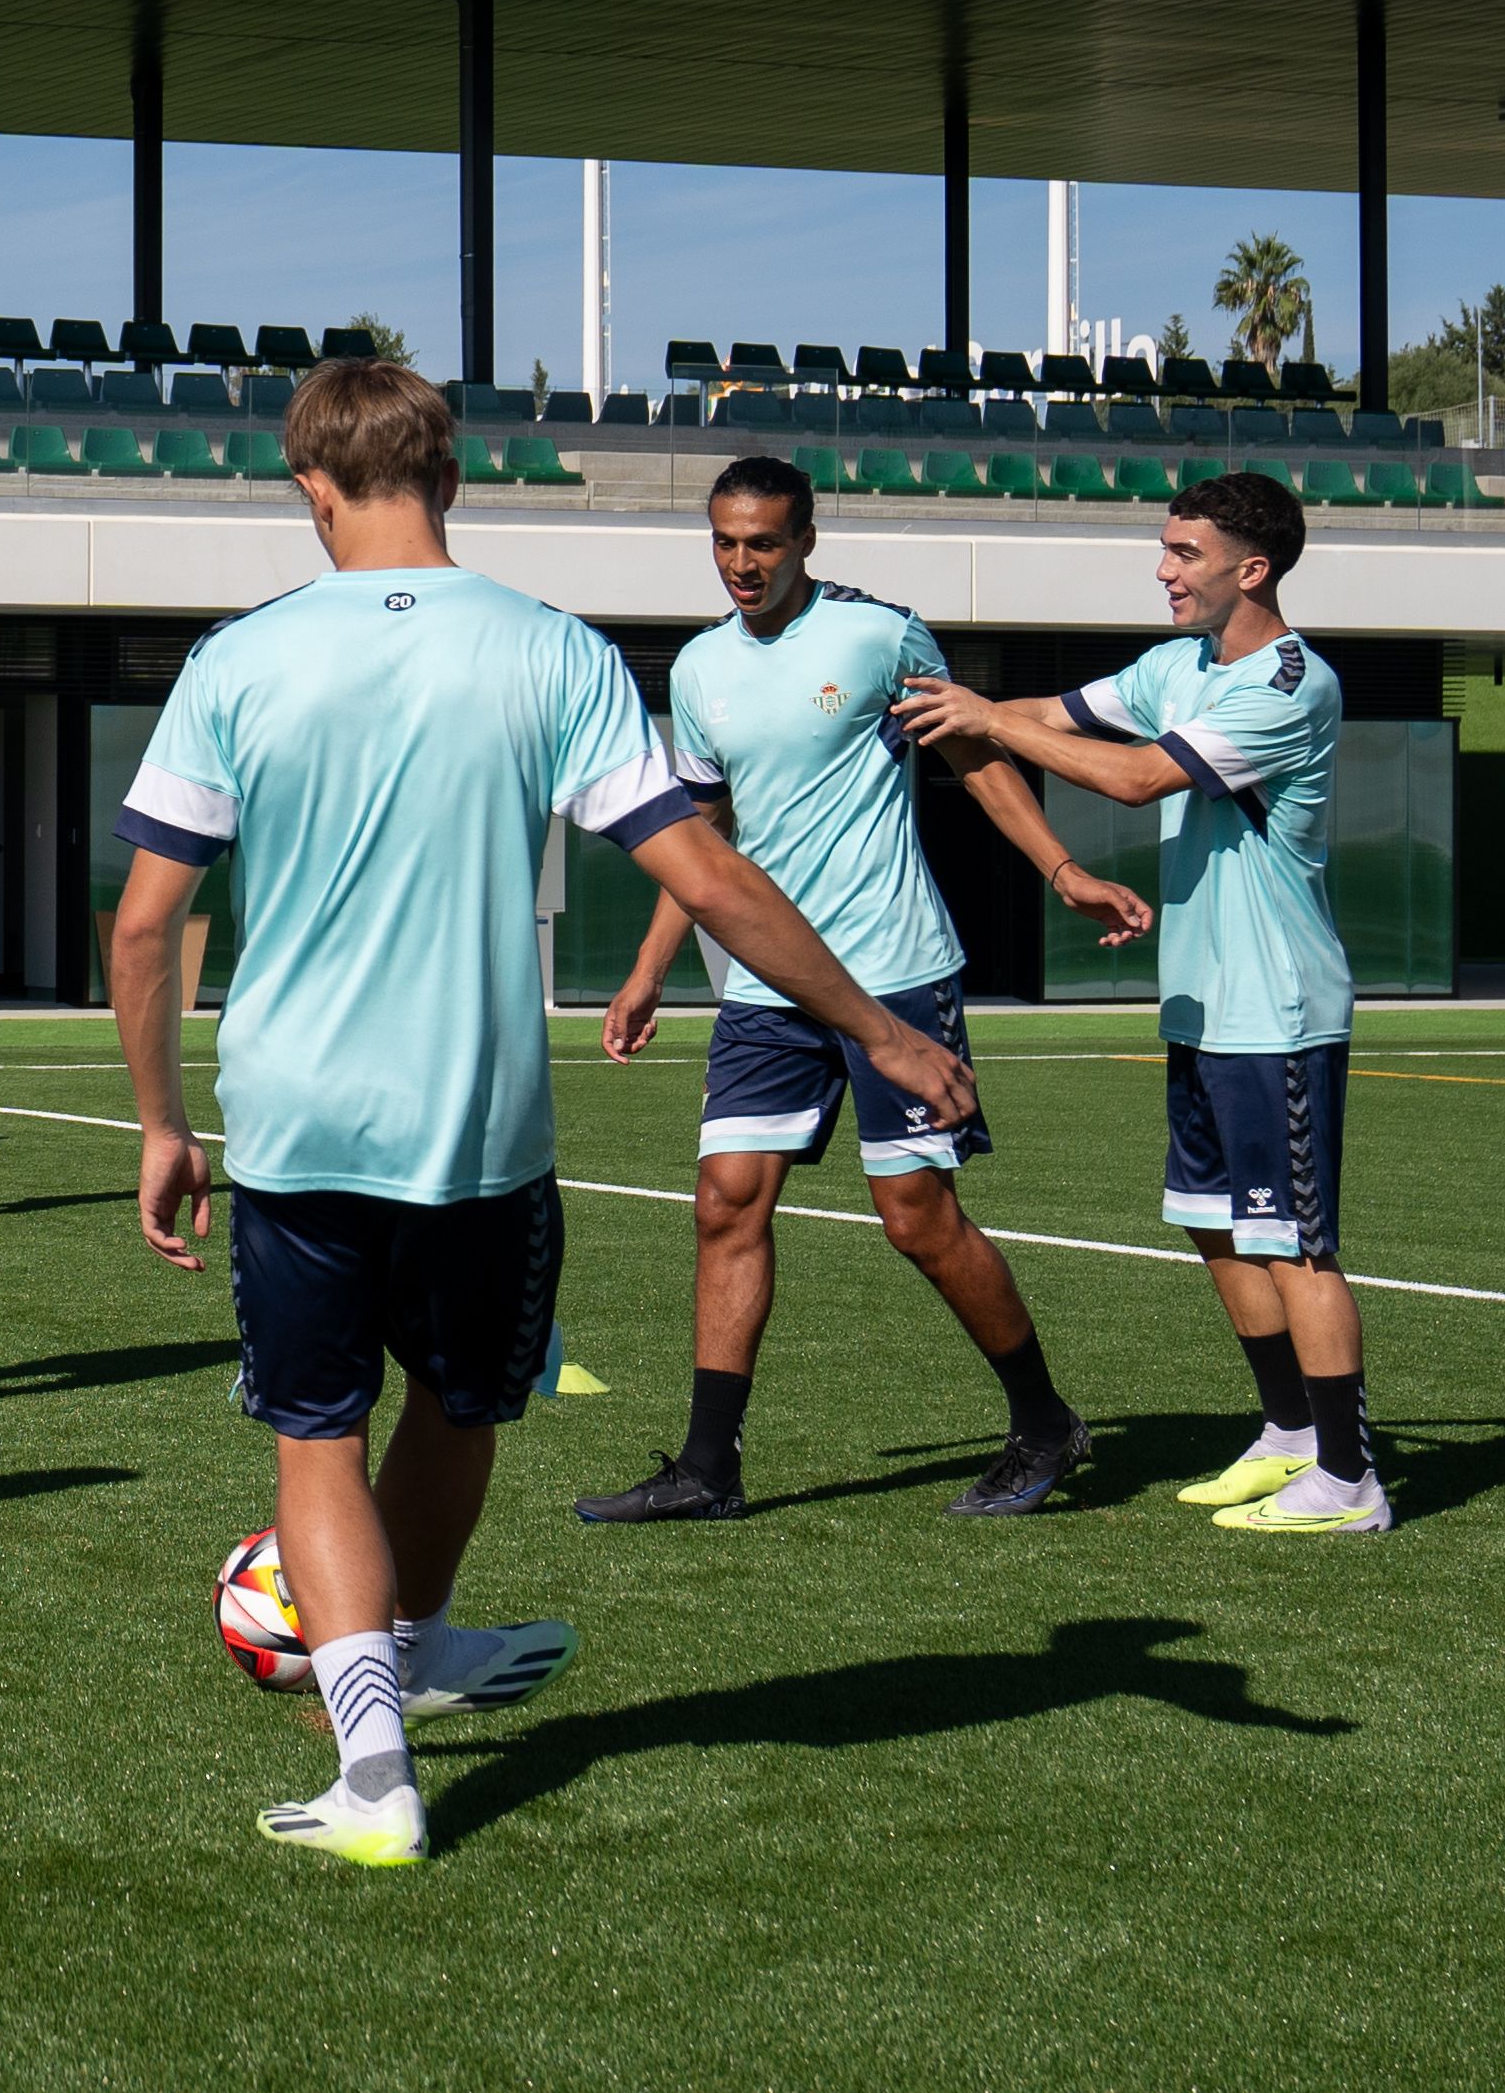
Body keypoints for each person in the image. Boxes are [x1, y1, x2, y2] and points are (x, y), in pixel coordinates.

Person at [112, 358, 982, 1866]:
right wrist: (879, 1031)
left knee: (318, 1441)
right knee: (462, 1405)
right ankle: (418, 1642)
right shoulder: (556, 650)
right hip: (482, 1123)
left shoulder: (234, 658)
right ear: (450, 479)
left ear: (310, 487)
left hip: (297, 1119)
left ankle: (378, 1756)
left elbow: (142, 925)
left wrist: (160, 1121)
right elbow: (706, 875)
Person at [578, 452, 1145, 1523]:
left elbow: (974, 754)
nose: (741, 562)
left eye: (762, 542)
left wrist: (1060, 869)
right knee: (723, 1202)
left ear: (806, 540)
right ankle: (709, 1465)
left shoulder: (883, 635)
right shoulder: (698, 669)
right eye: (724, 541)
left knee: (916, 1217)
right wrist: (649, 969)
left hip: (893, 970)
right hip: (763, 984)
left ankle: (1043, 1422)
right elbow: (700, 835)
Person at [902, 471, 1385, 1537]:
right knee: (1218, 1230)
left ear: (1250, 570)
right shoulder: (1177, 665)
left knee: (1297, 1245)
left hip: (1281, 1013)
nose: (1162, 571)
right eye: (1163, 549)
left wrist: (989, 720)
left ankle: (1352, 1479)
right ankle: (1292, 1432)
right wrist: (937, 707)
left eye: (1183, 553)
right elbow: (1042, 718)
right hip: (1205, 1007)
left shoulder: (1293, 685)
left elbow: (1129, 779)